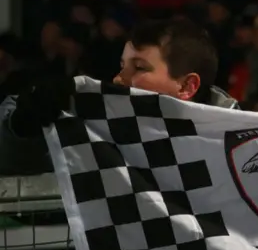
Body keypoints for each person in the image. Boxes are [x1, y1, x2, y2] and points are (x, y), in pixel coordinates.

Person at [0, 18, 238, 176]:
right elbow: (24, 166)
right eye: (123, 65)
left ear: (187, 86)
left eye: (140, 68)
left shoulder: (242, 146)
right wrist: (21, 129)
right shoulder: (100, 122)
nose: (118, 79)